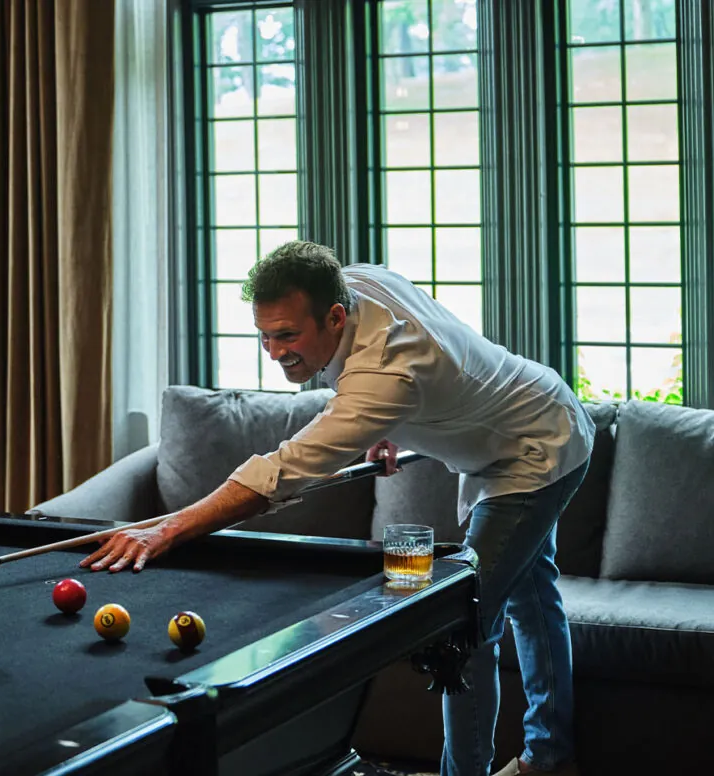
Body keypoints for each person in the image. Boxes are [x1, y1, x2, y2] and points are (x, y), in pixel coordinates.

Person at [81, 241, 591, 776]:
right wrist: (388, 423)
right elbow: (416, 370)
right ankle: (553, 758)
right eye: (265, 335)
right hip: (520, 419)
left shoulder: (387, 374)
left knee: (464, 624)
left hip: (534, 450)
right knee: (533, 602)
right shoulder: (353, 286)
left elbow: (281, 473)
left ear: (335, 316)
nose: (275, 351)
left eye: (287, 335)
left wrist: (170, 528)